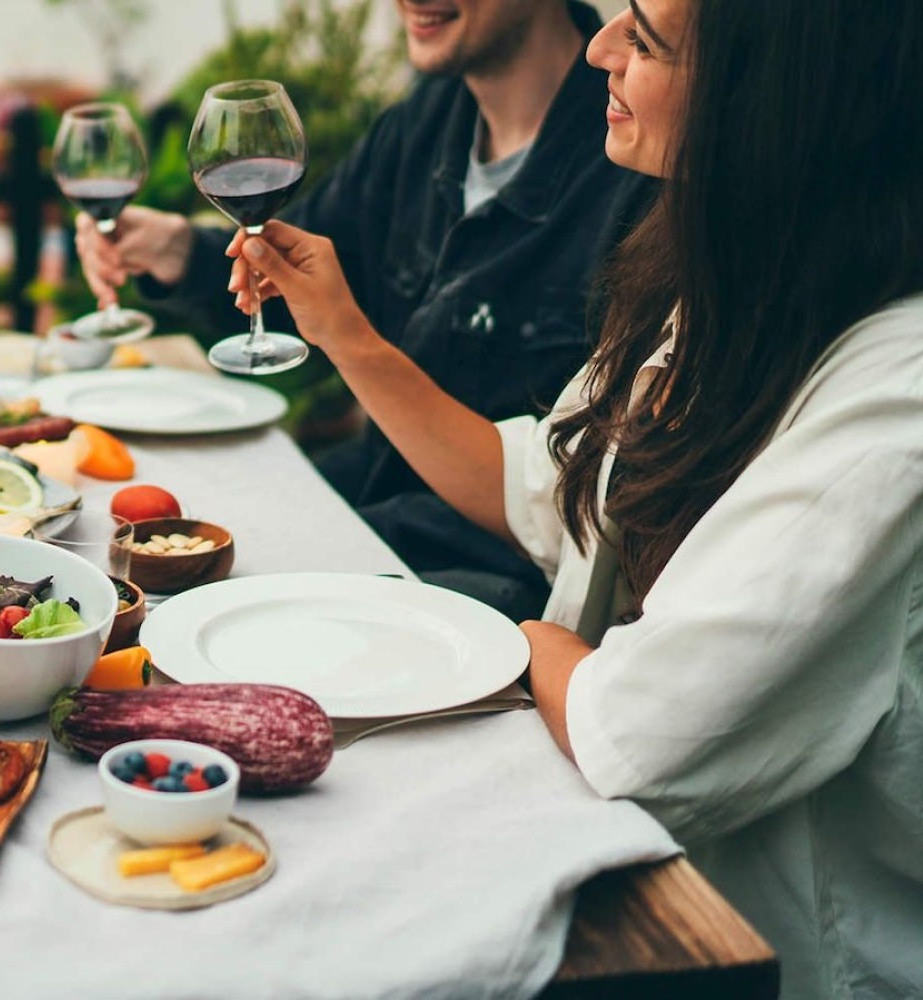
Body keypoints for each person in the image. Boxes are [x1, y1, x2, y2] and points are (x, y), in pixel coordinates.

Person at [239, 0, 923, 993]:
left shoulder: (891, 404)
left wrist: (524, 642)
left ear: (765, 104)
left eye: (642, 38)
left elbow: (637, 733)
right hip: (626, 872)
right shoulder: (730, 292)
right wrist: (342, 330)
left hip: (752, 955)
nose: (598, 47)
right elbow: (544, 495)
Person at [76, 0, 653, 622]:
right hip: (371, 511)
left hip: (491, 592)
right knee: (108, 550)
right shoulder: (423, 122)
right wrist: (174, 249)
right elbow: (304, 283)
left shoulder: (641, 166)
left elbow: (592, 506)